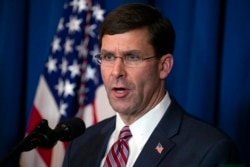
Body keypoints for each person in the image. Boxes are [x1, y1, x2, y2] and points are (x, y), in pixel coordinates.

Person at [63, 3, 241, 167]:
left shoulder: (211, 151)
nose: (116, 72)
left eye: (132, 57)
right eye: (108, 57)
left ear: (164, 66)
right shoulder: (81, 144)